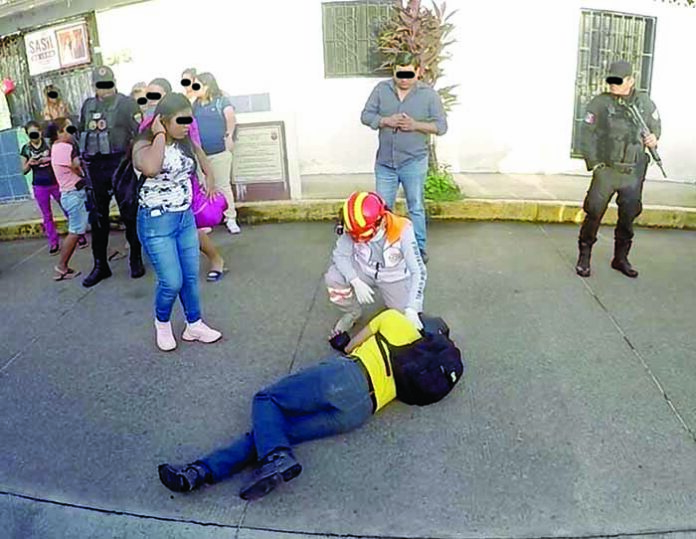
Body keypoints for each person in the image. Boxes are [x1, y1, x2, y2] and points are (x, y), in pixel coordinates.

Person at [157, 309, 463, 501]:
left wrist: (342, 339)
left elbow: (351, 345)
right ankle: (198, 473)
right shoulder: (419, 371)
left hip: (347, 377)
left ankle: (275, 459)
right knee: (272, 431)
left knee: (267, 400)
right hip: (359, 413)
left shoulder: (395, 319)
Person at [132, 93, 222, 351]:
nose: (187, 125)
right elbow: (150, 168)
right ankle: (162, 323)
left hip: (184, 218)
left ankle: (194, 325)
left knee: (190, 277)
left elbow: (202, 159)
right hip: (156, 221)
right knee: (172, 281)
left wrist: (209, 180)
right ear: (162, 120)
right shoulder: (143, 144)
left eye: (188, 120)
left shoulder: (186, 142)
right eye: (181, 121)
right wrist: (159, 135)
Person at [576, 60, 661, 279]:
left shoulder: (644, 103)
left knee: (628, 216)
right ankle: (584, 256)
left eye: (618, 80)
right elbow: (586, 135)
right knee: (594, 212)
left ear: (631, 80)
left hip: (632, 172)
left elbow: (655, 128)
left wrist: (654, 139)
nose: (612, 84)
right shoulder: (600, 103)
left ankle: (621, 258)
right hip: (607, 170)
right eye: (610, 79)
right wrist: (595, 165)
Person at [360, 52, 448, 264]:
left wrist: (415, 125)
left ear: (418, 72)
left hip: (414, 162)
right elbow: (366, 116)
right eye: (401, 74)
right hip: (385, 164)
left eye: (409, 74)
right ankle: (383, 249)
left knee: (415, 207)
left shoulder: (429, 95)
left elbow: (441, 127)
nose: (404, 79)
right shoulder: (381, 90)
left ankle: (418, 249)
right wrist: (385, 121)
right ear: (395, 71)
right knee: (383, 209)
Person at [139, 78, 228, 282]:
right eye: (149, 95)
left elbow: (197, 149)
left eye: (157, 95)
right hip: (156, 190)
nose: (152, 100)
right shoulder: (146, 125)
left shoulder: (185, 122)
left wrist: (209, 177)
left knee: (193, 228)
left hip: (183, 184)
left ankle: (216, 259)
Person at [78, 65, 145, 287]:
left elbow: (139, 133)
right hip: (95, 167)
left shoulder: (126, 103)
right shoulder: (88, 105)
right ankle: (100, 265)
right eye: (100, 84)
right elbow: (82, 133)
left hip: (120, 165)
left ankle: (135, 257)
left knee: (129, 214)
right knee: (97, 219)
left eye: (108, 84)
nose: (105, 89)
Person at [325, 191, 427, 336]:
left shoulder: (403, 229)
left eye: (365, 236)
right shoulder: (353, 225)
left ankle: (401, 306)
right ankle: (352, 312)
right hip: (363, 270)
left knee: (404, 321)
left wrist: (412, 307)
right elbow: (340, 255)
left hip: (394, 277)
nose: (360, 240)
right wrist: (353, 279)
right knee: (333, 278)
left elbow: (419, 271)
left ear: (382, 221)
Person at [192, 72, 241, 235]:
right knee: (204, 186)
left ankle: (230, 217)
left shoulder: (221, 101)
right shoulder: (195, 104)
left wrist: (229, 136)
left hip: (219, 150)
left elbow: (231, 118)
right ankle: (209, 217)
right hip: (201, 153)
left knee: (222, 185)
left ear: (207, 85)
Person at [49, 118, 88, 281]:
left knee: (90, 223)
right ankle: (62, 267)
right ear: (59, 133)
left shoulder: (56, 148)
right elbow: (76, 167)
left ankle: (107, 252)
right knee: (75, 231)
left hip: (71, 193)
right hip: (74, 193)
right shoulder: (63, 147)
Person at [20, 121, 62, 254]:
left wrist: (48, 159)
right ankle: (53, 243)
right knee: (47, 215)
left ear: (40, 131)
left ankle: (79, 236)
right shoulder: (26, 149)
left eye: (35, 132)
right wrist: (30, 163)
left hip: (55, 182)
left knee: (67, 209)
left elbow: (59, 159)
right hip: (39, 185)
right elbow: (23, 170)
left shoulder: (49, 143)